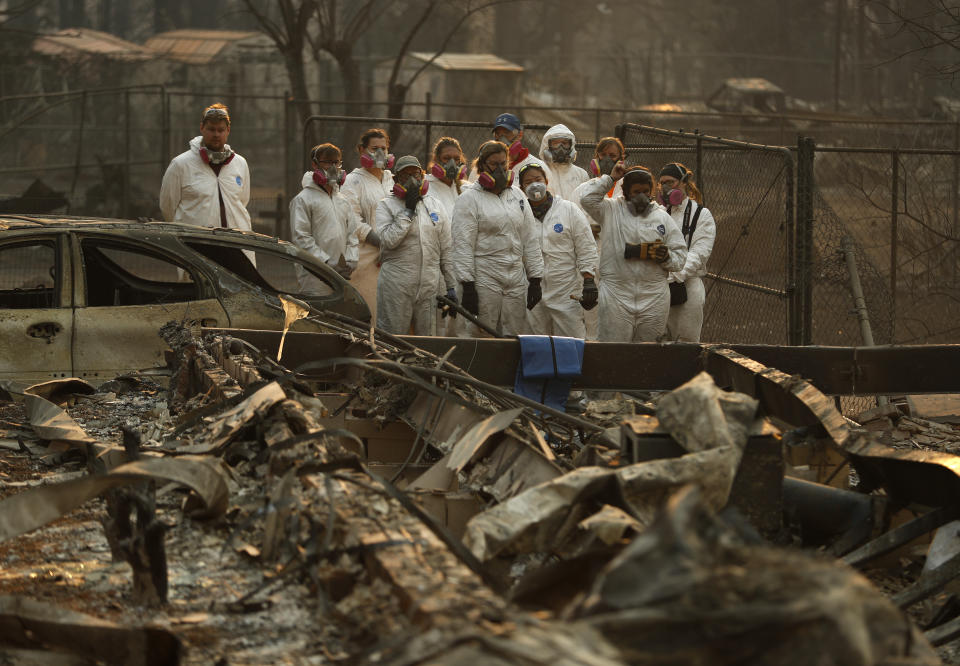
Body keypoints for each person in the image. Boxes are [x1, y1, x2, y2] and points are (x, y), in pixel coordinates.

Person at [580, 163, 687, 342]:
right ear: (626, 191)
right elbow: (587, 199)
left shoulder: (662, 218)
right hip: (616, 294)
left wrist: (665, 257)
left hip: (653, 296)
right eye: (636, 192)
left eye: (646, 191)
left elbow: (680, 257)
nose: (642, 197)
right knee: (613, 351)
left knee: (649, 353)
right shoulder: (610, 210)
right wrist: (611, 178)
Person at [451, 140, 544, 337]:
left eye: (503, 164)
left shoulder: (517, 195)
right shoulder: (469, 199)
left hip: (516, 277)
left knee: (515, 335)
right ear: (482, 165)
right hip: (485, 276)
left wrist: (535, 279)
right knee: (482, 333)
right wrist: (467, 285)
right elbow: (463, 245)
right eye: (494, 164)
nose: (500, 169)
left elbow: (530, 238)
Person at [375, 155, 455, 336]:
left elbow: (446, 249)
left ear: (423, 176)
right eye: (405, 175)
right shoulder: (386, 206)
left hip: (430, 286)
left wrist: (450, 286)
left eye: (416, 174)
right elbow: (388, 241)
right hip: (396, 284)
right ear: (396, 179)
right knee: (392, 339)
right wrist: (408, 212)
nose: (412, 179)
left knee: (429, 341)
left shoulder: (435, 205)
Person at [519, 163, 598, 339]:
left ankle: (573, 368)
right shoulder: (519, 214)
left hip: (565, 291)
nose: (534, 185)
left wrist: (589, 280)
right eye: (528, 182)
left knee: (572, 341)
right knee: (536, 342)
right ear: (521, 188)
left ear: (546, 181)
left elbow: (585, 246)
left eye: (538, 179)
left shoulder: (568, 209)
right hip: (531, 291)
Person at [160, 103, 252, 231]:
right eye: (211, 129)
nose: (216, 134)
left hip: (237, 246)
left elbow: (242, 202)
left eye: (221, 130)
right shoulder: (180, 164)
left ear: (228, 130)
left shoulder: (240, 163)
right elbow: (168, 208)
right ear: (202, 128)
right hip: (195, 245)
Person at [571, 137, 627, 340]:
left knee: (617, 318)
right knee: (590, 319)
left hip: (620, 262)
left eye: (613, 156)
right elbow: (573, 221)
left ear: (622, 159)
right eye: (603, 155)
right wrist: (587, 229)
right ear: (595, 158)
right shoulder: (582, 190)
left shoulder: (629, 189)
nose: (607, 160)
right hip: (590, 262)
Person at [289, 143, 359, 292]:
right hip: (314, 275)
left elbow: (352, 234)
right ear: (315, 165)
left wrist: (351, 261)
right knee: (317, 313)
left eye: (336, 162)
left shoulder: (343, 200)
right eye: (327, 162)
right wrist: (327, 263)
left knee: (339, 314)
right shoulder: (303, 200)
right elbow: (301, 238)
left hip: (342, 274)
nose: (333, 168)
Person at [658, 163, 716, 343]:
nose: (666, 187)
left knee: (686, 343)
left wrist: (674, 274)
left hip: (687, 287)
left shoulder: (701, 215)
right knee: (656, 342)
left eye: (671, 182)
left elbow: (699, 254)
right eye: (662, 183)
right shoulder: (658, 212)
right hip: (659, 286)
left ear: (684, 183)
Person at [341, 128, 392, 321]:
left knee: (391, 315)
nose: (379, 153)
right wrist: (377, 240)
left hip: (392, 256)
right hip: (366, 257)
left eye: (383, 148)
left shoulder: (391, 179)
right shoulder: (353, 181)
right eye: (374, 148)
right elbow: (352, 219)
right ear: (361, 150)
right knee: (370, 313)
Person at [425, 137, 468, 334]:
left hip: (461, 264)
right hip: (435, 265)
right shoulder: (425, 186)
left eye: (456, 158)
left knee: (459, 324)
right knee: (437, 325)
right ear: (436, 160)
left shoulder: (464, 189)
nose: (451, 163)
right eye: (446, 158)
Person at [491, 112, 553, 186]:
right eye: (498, 134)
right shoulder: (486, 165)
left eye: (507, 133)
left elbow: (550, 195)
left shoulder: (539, 167)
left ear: (520, 135)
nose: (502, 139)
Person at [538, 124, 589, 201]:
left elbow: (586, 203)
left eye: (564, 143)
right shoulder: (540, 171)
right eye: (555, 143)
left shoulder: (581, 174)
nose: (560, 148)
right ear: (547, 146)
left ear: (571, 146)